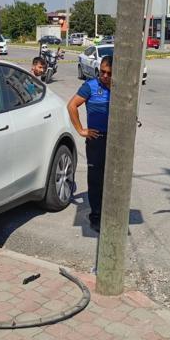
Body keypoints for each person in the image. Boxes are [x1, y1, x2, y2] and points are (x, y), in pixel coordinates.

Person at [67, 55, 112, 233]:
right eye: (102, 72)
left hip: (116, 141)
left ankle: (111, 213)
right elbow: (72, 106)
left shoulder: (120, 87)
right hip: (96, 139)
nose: (105, 76)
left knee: (113, 179)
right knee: (96, 180)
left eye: (109, 73)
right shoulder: (90, 86)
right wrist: (81, 130)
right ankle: (96, 216)